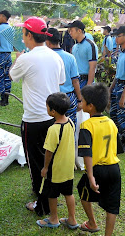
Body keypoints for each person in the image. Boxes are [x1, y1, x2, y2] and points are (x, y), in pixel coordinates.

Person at [9, 17, 66, 216]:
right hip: (53, 118)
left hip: (33, 119)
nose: (22, 37)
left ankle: (41, 204)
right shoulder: (56, 56)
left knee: (36, 164)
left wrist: (17, 58)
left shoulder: (26, 58)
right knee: (50, 161)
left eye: (23, 33)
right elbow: (60, 82)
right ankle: (49, 197)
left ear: (30, 35)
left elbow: (12, 76)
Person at [77, 83, 121, 235]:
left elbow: (87, 153)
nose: (80, 103)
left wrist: (90, 176)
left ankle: (92, 223)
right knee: (112, 205)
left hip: (97, 170)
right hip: (114, 169)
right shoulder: (111, 123)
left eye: (82, 101)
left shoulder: (86, 125)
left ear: (90, 106)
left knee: (83, 192)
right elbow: (117, 149)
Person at [36, 92, 78, 229]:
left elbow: (49, 151)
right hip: (68, 169)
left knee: (52, 195)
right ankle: (72, 219)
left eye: (47, 107)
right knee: (68, 193)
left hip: (55, 170)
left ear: (53, 111)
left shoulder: (53, 129)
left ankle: (54, 219)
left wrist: (45, 168)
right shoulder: (71, 122)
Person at [46, 28, 82, 125]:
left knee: (53, 128)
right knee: (70, 127)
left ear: (47, 42)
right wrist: (79, 99)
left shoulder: (45, 57)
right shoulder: (70, 57)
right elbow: (75, 81)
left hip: (51, 98)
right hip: (68, 98)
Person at [66, 21, 98, 89]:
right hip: (75, 80)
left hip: (85, 80)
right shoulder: (75, 47)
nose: (70, 33)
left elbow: (92, 67)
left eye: (71, 30)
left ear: (79, 31)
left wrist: (88, 87)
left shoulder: (90, 45)